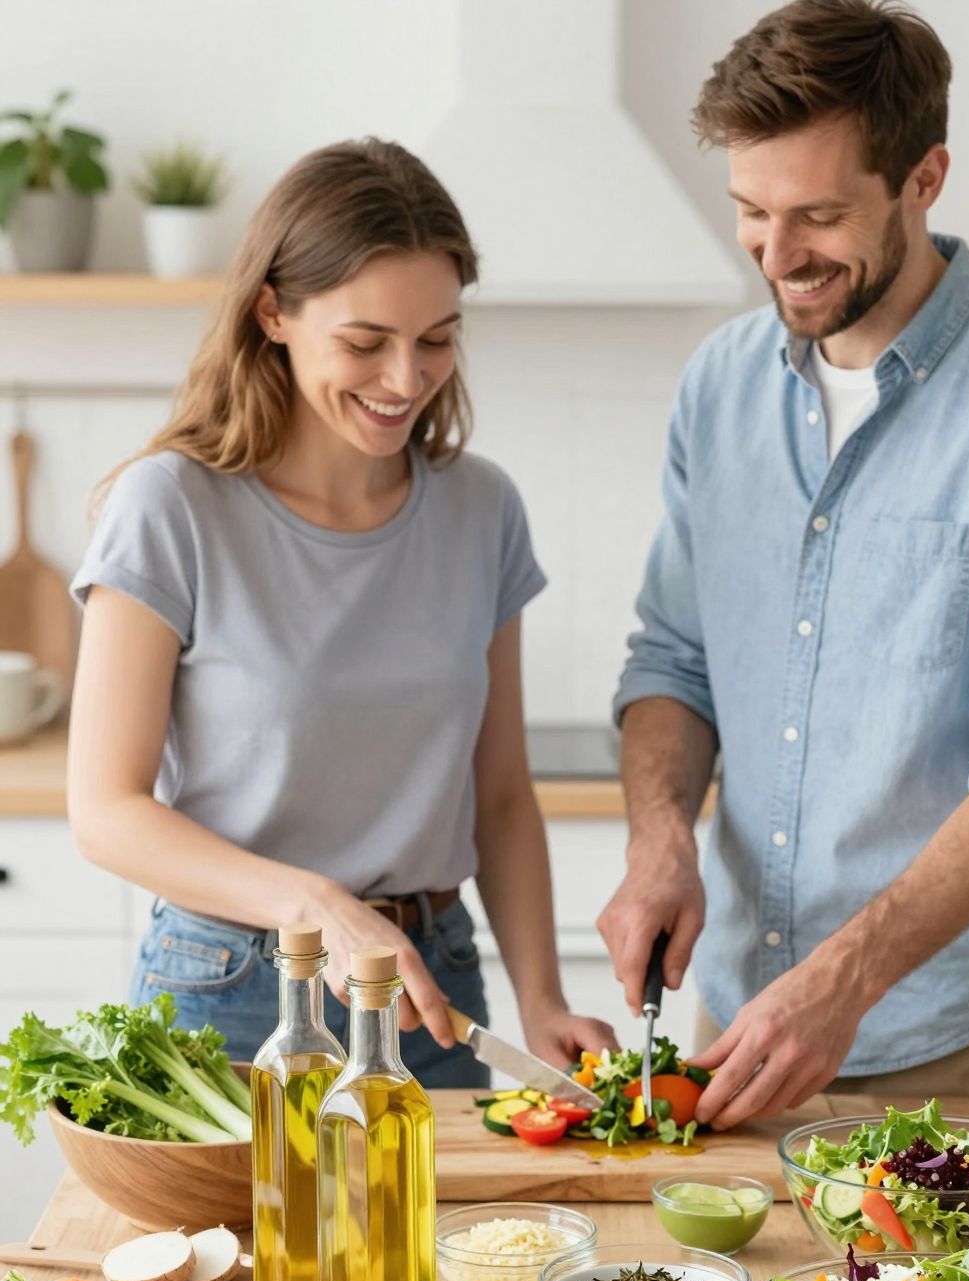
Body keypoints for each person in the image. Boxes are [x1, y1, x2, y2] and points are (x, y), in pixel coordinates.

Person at [598, 0, 969, 1132]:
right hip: (742, 1027)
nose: (778, 251)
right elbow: (674, 659)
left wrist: (848, 977)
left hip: (945, 1044)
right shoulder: (721, 384)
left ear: (925, 177)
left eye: (819, 214)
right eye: (751, 210)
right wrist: (660, 839)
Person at [68, 138, 612, 1082]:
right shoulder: (171, 508)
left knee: (443, 1238)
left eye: (437, 339)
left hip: (430, 989)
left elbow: (503, 797)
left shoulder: (481, 510)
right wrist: (314, 904)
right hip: (232, 987)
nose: (406, 379)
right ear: (273, 312)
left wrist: (542, 998)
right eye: (365, 343)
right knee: (227, 1241)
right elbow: (105, 811)